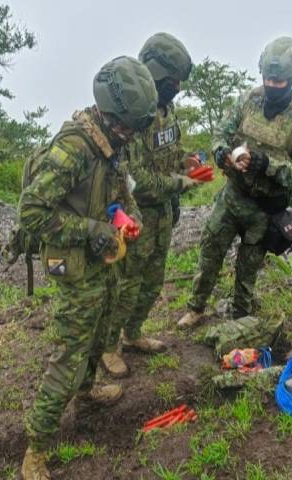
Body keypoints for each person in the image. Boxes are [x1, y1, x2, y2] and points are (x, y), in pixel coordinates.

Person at [19, 56, 158, 480]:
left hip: (102, 258)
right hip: (76, 265)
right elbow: (32, 213)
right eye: (128, 128)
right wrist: (92, 228)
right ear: (109, 113)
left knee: (100, 333)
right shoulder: (74, 148)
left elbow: (119, 188)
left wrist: (125, 217)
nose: (131, 135)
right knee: (69, 355)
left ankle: (88, 393)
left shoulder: (112, 141)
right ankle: (36, 451)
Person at [178, 36, 292, 328]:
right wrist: (223, 154)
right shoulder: (247, 100)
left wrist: (266, 164)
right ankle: (196, 308)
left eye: (279, 81)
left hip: (264, 209)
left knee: (249, 266)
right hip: (232, 196)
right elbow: (221, 133)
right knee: (209, 252)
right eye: (268, 78)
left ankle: (240, 318)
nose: (273, 85)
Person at [101, 33, 200, 378]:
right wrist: (178, 184)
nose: (177, 88)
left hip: (162, 216)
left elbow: (171, 152)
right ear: (156, 75)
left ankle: (133, 334)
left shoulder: (167, 110)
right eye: (172, 82)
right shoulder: (133, 115)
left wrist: (186, 163)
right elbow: (136, 179)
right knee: (125, 284)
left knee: (153, 282)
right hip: (136, 216)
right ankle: (109, 346)